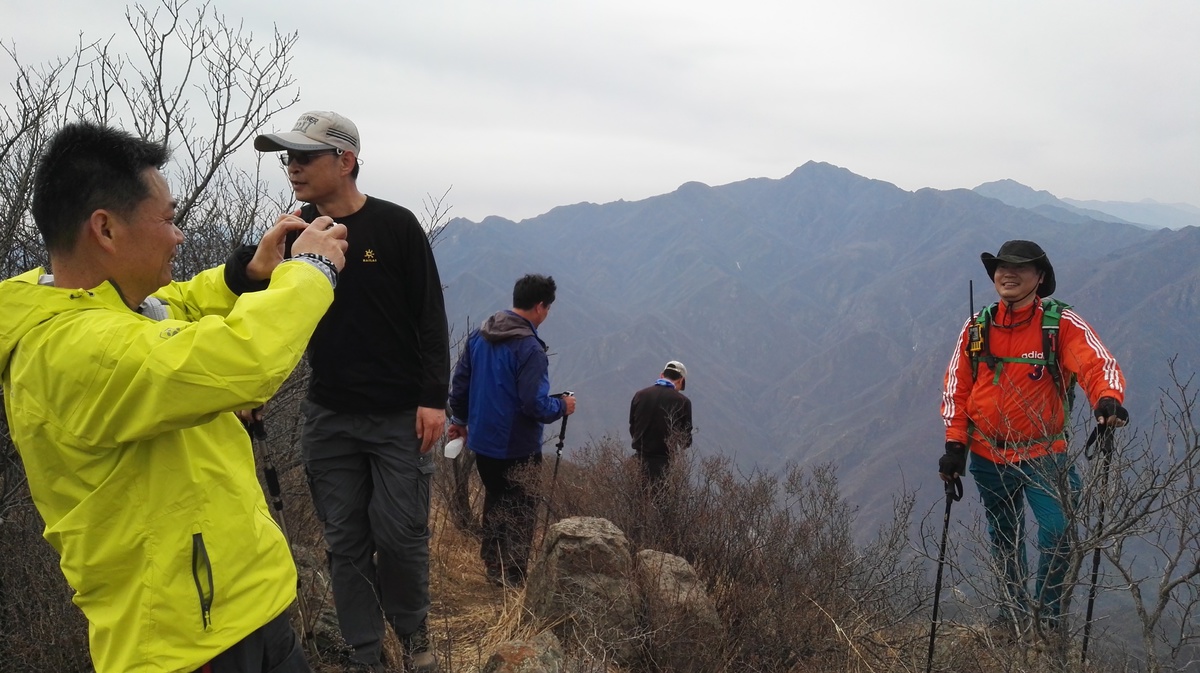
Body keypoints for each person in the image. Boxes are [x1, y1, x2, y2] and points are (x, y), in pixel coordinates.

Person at [0, 122, 348, 673]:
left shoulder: (96, 305)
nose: (179, 235)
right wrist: (312, 271)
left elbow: (172, 307)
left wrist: (246, 275)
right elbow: (239, 360)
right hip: (187, 643)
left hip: (244, 609)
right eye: (168, 219)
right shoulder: (71, 350)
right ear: (106, 230)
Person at [254, 111, 449, 673]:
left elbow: (430, 316)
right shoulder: (294, 234)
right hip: (330, 414)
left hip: (398, 415)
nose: (292, 167)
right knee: (344, 540)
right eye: (287, 157)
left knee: (401, 533)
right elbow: (269, 319)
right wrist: (256, 380)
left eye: (304, 156)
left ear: (346, 160)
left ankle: (412, 635)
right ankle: (366, 653)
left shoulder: (396, 226)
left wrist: (433, 397)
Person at [939, 240, 1128, 633]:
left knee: (1058, 532)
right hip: (988, 456)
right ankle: (1011, 617)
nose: (1008, 274)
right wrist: (955, 445)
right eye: (1002, 267)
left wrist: (1108, 399)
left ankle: (1047, 619)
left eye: (1020, 268)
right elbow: (957, 387)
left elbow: (1097, 364)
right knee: (1004, 536)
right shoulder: (977, 326)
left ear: (1039, 278)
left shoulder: (1061, 324)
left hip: (1046, 454)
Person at [446, 274, 575, 588]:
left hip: (483, 443)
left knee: (495, 499)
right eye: (548, 309)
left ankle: (492, 566)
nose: (546, 315)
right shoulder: (530, 349)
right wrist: (562, 407)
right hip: (518, 446)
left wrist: (460, 421)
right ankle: (514, 578)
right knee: (521, 508)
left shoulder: (480, 336)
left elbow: (460, 384)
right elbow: (534, 405)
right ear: (540, 306)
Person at [629, 360, 693, 485]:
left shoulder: (640, 395)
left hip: (638, 461)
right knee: (660, 503)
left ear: (662, 375)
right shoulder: (683, 401)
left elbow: (633, 426)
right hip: (663, 465)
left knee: (634, 501)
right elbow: (685, 441)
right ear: (681, 380)